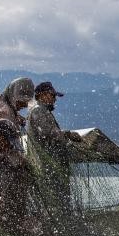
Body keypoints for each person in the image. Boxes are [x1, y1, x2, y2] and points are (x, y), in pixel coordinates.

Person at [26, 81, 82, 211]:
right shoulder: (38, 110)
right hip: (49, 167)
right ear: (41, 95)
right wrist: (68, 134)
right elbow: (48, 133)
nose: (54, 99)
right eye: (52, 95)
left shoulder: (40, 110)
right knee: (57, 204)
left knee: (58, 202)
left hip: (50, 166)